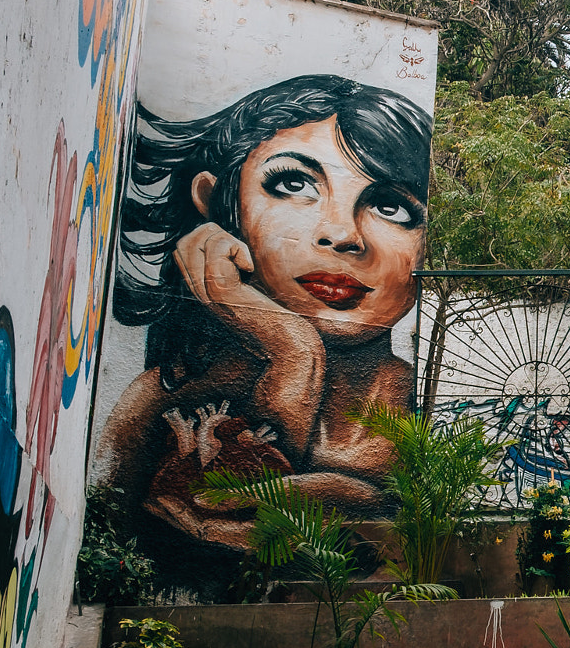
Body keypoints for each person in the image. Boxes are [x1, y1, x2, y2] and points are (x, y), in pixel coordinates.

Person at [94, 74, 432, 551]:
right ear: (218, 205)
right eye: (294, 184)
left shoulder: (421, 405)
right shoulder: (164, 398)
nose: (343, 235)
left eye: (391, 207)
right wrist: (292, 349)